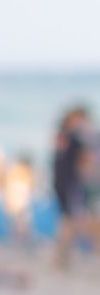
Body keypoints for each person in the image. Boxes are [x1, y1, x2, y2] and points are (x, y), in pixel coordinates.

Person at [52, 104, 99, 268]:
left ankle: (61, 259)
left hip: (67, 184)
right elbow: (86, 163)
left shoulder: (67, 136)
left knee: (71, 221)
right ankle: (61, 259)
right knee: (76, 221)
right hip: (70, 185)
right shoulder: (73, 137)